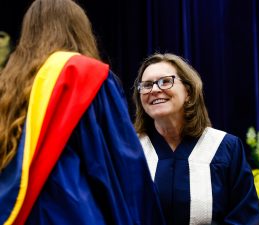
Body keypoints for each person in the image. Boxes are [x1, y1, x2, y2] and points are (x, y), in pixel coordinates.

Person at [0, 0, 165, 224]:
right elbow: (121, 164)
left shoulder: (7, 85)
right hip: (72, 212)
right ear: (79, 29)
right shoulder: (87, 76)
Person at [132, 53, 259, 225]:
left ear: (189, 92)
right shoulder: (131, 150)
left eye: (165, 81)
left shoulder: (224, 148)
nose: (154, 90)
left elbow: (243, 217)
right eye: (146, 85)